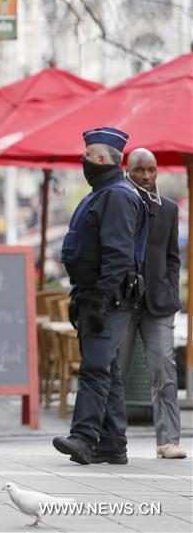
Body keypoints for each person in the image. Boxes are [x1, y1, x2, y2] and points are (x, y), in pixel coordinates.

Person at [54, 127, 149, 465]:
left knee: (94, 369)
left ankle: (83, 437)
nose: (83, 161)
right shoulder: (103, 193)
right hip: (98, 294)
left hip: (108, 298)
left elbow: (118, 256)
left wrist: (100, 300)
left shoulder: (117, 196)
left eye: (87, 155)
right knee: (105, 368)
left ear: (102, 158)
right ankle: (112, 443)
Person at [120, 148, 186, 459]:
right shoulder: (118, 203)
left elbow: (173, 257)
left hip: (159, 303)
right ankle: (110, 436)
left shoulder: (169, 209)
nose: (146, 176)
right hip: (123, 301)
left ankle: (168, 441)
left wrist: (170, 290)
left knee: (165, 371)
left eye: (151, 169)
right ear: (127, 170)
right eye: (139, 170)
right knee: (115, 371)